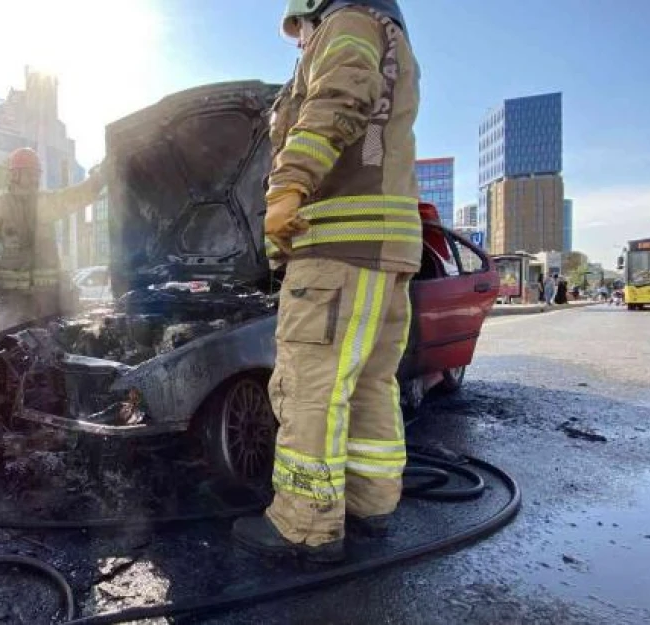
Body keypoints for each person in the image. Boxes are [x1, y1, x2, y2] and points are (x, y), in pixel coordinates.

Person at [232, 0, 420, 563]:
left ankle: (303, 526)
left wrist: (288, 184)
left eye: (300, 29)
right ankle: (370, 504)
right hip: (385, 248)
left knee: (309, 387)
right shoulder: (388, 34)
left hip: (336, 246)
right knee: (367, 385)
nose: (298, 41)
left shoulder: (347, 23)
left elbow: (338, 99)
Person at [0, 147, 104, 332]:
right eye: (29, 173)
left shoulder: (46, 202)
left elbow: (77, 195)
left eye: (37, 174)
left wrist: (100, 177)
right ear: (15, 175)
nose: (35, 179)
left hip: (48, 301)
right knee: (8, 347)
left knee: (53, 350)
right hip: (13, 301)